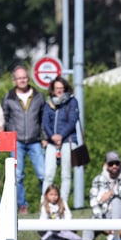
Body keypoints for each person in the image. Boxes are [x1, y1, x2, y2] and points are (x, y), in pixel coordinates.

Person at [2, 65, 46, 214]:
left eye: (24, 77)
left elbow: (43, 118)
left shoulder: (39, 96)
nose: (22, 80)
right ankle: (22, 206)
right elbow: (5, 119)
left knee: (43, 174)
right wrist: (7, 137)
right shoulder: (9, 97)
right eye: (19, 78)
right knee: (17, 175)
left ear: (28, 78)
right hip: (16, 141)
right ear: (14, 80)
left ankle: (45, 204)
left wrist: (44, 137)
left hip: (35, 140)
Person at [81, 150, 121, 240]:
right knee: (90, 222)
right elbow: (93, 201)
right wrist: (102, 222)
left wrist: (112, 192)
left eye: (117, 163)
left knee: (117, 200)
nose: (114, 166)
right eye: (111, 164)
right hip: (104, 214)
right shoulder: (98, 179)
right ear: (106, 165)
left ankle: (114, 235)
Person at [42, 77, 79, 206]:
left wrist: (61, 136)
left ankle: (63, 204)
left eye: (61, 89)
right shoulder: (48, 104)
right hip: (52, 143)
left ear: (65, 89)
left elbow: (72, 121)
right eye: (56, 88)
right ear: (52, 90)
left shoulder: (72, 102)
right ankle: (44, 203)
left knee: (66, 174)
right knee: (48, 174)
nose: (59, 91)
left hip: (68, 141)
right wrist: (52, 136)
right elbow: (45, 122)